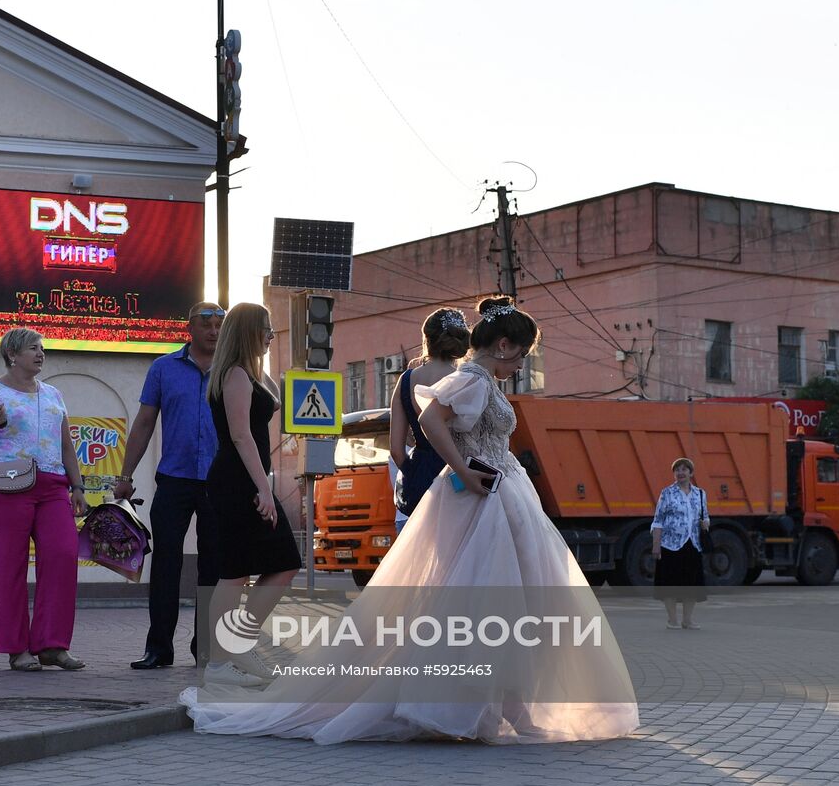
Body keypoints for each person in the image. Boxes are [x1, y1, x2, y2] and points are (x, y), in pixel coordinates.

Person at [181, 295, 639, 744]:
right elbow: (433, 421)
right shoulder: (474, 380)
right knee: (492, 607)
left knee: (493, 608)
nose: (522, 363)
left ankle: (495, 709)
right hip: (482, 501)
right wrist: (463, 468)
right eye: (521, 354)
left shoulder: (480, 380)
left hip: (501, 499)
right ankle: (496, 709)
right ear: (503, 345)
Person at [0, 328, 88, 671]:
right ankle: (16, 648)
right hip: (7, 484)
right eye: (33, 348)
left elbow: (66, 445)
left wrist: (77, 487)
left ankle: (52, 645)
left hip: (52, 486)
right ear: (13, 354)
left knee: (63, 555)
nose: (40, 353)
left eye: (42, 348)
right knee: (8, 566)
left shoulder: (53, 394)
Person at [115, 301, 224, 670]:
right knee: (166, 563)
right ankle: (159, 648)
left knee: (214, 566)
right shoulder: (163, 368)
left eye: (219, 323)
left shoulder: (235, 369)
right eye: (205, 323)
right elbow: (144, 423)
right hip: (174, 479)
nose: (213, 330)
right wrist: (125, 476)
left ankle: (206, 648)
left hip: (219, 482)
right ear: (189, 329)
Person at [199, 302, 301, 688]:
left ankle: (236, 647)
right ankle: (224, 661)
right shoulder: (234, 376)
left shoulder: (247, 373)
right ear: (247, 333)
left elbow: (273, 400)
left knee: (280, 563)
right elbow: (241, 436)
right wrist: (263, 487)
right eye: (266, 330)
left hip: (245, 480)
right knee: (237, 572)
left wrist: (263, 483)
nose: (271, 336)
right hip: (237, 481)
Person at [388, 308, 471, 534]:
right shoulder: (467, 379)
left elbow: (396, 450)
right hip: (462, 475)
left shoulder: (406, 381)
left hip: (423, 478)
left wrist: (415, 473)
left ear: (426, 340)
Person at [651, 458, 710, 630]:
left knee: (691, 584)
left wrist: (706, 522)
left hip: (693, 544)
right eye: (677, 470)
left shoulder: (700, 494)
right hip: (671, 545)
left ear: (691, 473)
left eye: (684, 469)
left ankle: (688, 620)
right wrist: (656, 545)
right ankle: (672, 620)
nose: (681, 472)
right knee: (670, 583)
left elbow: (705, 515)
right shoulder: (667, 493)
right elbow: (658, 520)